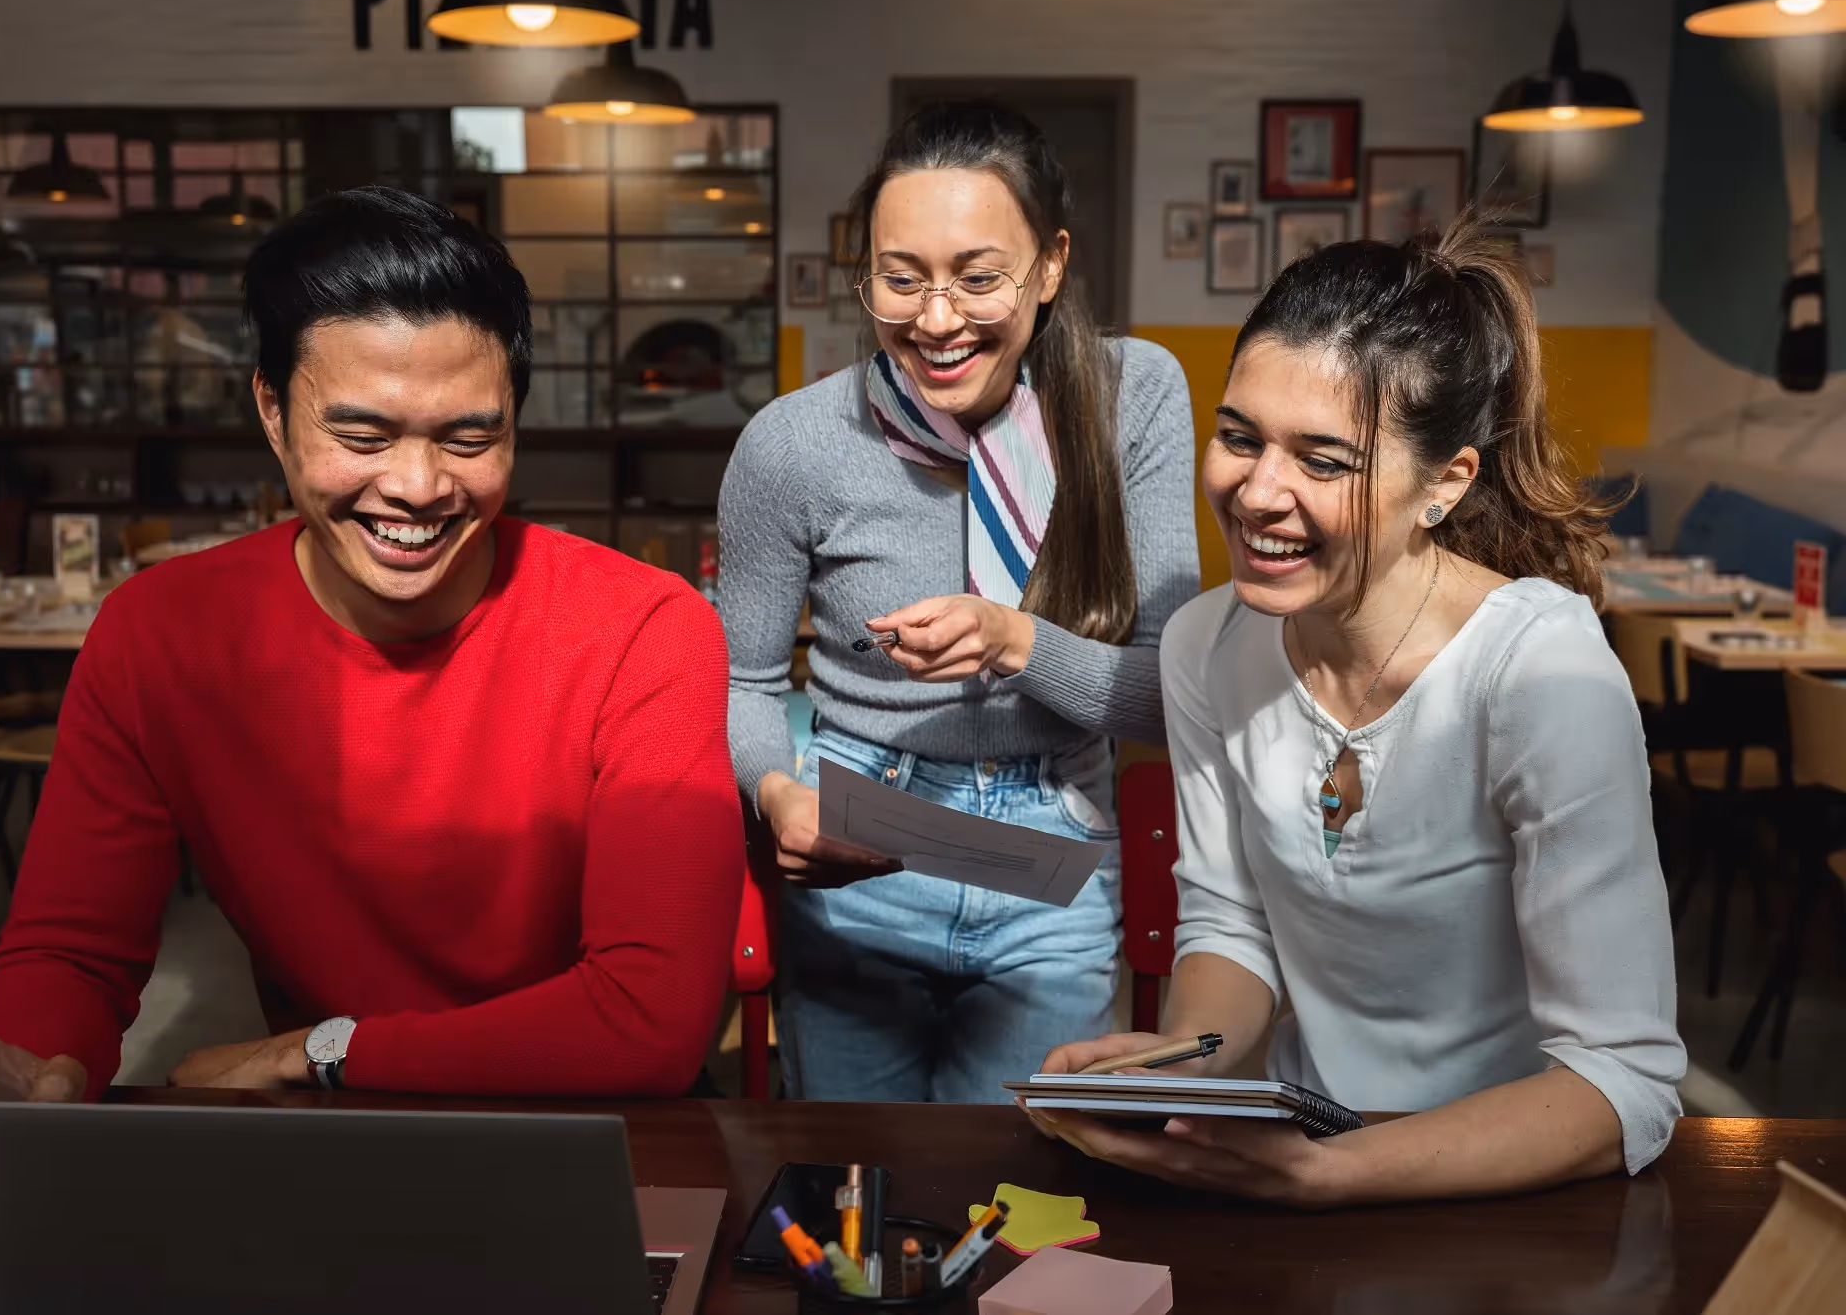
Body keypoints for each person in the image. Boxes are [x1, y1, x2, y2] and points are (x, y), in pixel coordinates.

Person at [0, 187, 743, 1104]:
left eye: (469, 436)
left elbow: (650, 1018)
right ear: (272, 410)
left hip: (592, 1130)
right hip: (335, 1142)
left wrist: (323, 1052)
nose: (418, 486)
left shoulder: (642, 628)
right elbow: (72, 952)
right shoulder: (161, 635)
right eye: (362, 434)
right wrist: (16, 1061)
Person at [1030, 216, 1685, 1204]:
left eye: (1322, 461)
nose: (1256, 492)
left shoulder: (1540, 671)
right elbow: (1232, 926)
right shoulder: (1206, 645)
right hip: (1304, 1158)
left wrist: (1332, 1174)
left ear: (1443, 483)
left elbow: (1621, 1077)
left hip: (1506, 1191)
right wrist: (1179, 1064)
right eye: (1238, 437)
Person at [719, 101, 1198, 1104]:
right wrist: (775, 797)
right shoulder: (790, 442)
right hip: (860, 843)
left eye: (979, 278)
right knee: (855, 1205)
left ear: (1051, 265)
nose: (935, 320)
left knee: (1022, 1204)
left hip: (1053, 851)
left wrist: (1016, 640)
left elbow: (1166, 697)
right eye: (900, 279)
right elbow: (744, 681)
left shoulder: (1131, 398)